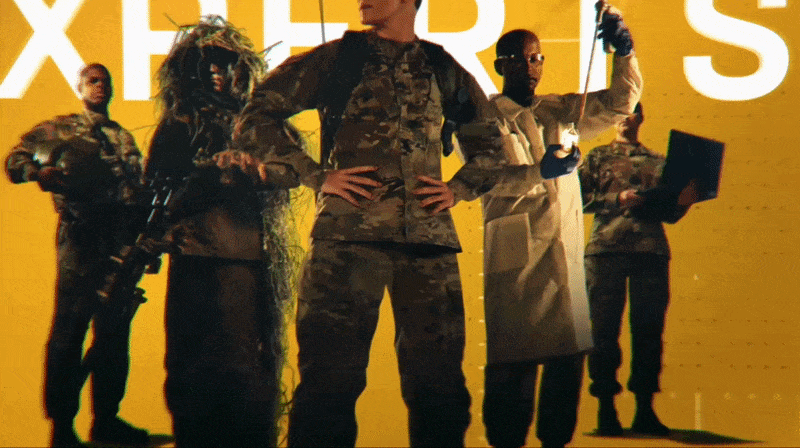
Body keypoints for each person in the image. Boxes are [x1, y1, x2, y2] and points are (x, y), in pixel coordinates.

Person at [233, 0, 510, 445]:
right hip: (347, 242)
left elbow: (490, 144)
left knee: (439, 389)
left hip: (428, 245)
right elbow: (256, 116)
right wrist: (315, 174)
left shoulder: (442, 66)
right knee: (328, 385)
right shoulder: (338, 59)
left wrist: (457, 188)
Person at [479, 6, 643, 447]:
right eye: (518, 58)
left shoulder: (561, 112)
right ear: (500, 65)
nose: (529, 67)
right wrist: (541, 172)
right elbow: (484, 179)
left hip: (562, 259)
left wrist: (623, 50)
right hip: (517, 264)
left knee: (566, 368)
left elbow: (620, 104)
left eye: (536, 58)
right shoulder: (483, 117)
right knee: (512, 373)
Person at [145, 17, 302, 447]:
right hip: (195, 254)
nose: (215, 70)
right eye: (206, 62)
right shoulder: (181, 120)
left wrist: (259, 169)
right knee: (190, 360)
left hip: (245, 257)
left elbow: (296, 169)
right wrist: (205, 172)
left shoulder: (258, 121)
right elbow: (156, 180)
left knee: (242, 362)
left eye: (224, 62)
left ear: (240, 68)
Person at [4, 64, 149, 447]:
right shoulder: (59, 129)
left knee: (114, 334)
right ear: (80, 86)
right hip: (81, 238)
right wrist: (41, 174)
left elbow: (137, 192)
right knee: (70, 330)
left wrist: (141, 242)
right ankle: (62, 425)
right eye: (94, 80)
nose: (101, 87)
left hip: (119, 242)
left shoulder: (123, 138)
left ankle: (106, 419)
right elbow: (14, 162)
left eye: (107, 81)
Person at [579, 102, 698, 436]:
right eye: (620, 112)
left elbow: (670, 215)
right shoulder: (596, 158)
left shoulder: (660, 162)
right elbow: (576, 199)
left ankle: (644, 410)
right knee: (603, 331)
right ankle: (606, 409)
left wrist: (685, 200)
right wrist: (617, 200)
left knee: (648, 332)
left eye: (631, 112)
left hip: (649, 252)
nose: (625, 119)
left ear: (641, 118)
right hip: (606, 251)